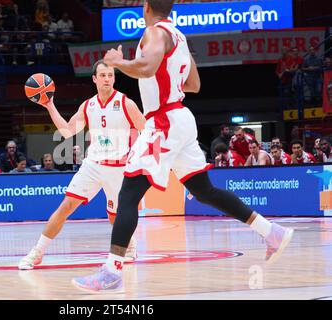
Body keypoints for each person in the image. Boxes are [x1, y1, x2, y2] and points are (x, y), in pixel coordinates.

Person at [71, 0, 294, 293]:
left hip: (162, 122)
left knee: (128, 192)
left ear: (147, 6)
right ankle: (271, 231)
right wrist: (166, 78)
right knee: (204, 191)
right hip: (181, 118)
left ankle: (112, 271)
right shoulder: (179, 35)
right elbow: (194, 84)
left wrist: (118, 63)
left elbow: (148, 67)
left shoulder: (154, 32)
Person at [18, 60, 146, 270]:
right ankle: (37, 252)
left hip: (119, 169)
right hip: (93, 165)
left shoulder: (125, 103)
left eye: (110, 75)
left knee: (115, 217)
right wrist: (50, 105)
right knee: (66, 206)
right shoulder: (88, 106)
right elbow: (67, 132)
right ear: (94, 78)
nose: (107, 79)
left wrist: (143, 158)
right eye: (103, 75)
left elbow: (146, 130)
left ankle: (129, 243)